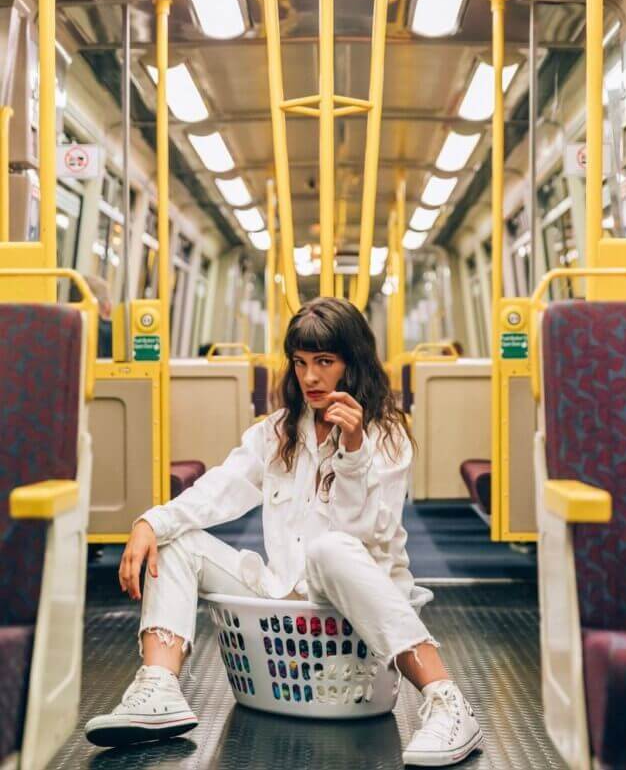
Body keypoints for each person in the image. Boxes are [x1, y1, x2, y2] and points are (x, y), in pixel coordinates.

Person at [84, 297, 483, 767]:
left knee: (329, 549)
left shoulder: (387, 437)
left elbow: (360, 535)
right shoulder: (278, 431)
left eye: (324, 362)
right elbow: (220, 488)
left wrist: (353, 451)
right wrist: (151, 521)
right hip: (286, 602)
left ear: (352, 365)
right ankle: (159, 687)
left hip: (356, 610)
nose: (310, 377)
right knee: (176, 540)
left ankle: (446, 699)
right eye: (300, 362)